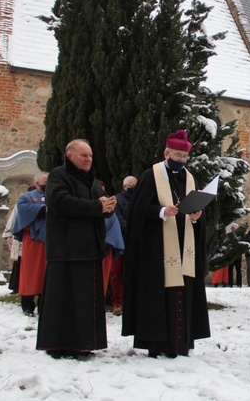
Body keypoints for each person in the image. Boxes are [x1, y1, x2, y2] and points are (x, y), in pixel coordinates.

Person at [122, 130, 210, 358]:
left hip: (184, 248)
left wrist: (197, 217)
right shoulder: (150, 176)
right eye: (177, 155)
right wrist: (161, 211)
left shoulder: (190, 178)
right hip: (157, 250)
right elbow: (137, 211)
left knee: (184, 292)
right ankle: (157, 342)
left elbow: (196, 210)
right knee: (158, 297)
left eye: (184, 157)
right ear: (166, 153)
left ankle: (183, 342)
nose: (180, 160)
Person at [36, 139, 116, 359]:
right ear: (69, 155)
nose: (89, 159)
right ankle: (58, 345)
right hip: (66, 248)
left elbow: (99, 204)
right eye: (84, 155)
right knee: (63, 299)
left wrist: (108, 207)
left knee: (85, 301)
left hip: (89, 248)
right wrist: (97, 206)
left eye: (90, 155)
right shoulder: (58, 175)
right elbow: (60, 201)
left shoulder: (91, 180)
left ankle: (84, 344)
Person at [12, 173, 49, 317]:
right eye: (45, 181)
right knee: (31, 272)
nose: (47, 184)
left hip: (49, 240)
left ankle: (43, 304)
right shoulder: (27, 197)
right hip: (33, 240)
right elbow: (23, 210)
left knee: (45, 274)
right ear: (37, 182)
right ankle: (27, 304)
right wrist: (42, 210)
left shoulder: (53, 196)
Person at [108, 175, 136, 316]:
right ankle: (117, 303)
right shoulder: (116, 199)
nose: (131, 189)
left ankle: (133, 302)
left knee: (134, 273)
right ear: (123, 187)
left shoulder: (140, 200)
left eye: (134, 186)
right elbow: (117, 218)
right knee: (116, 273)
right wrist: (132, 229)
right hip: (120, 241)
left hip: (136, 242)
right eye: (129, 186)